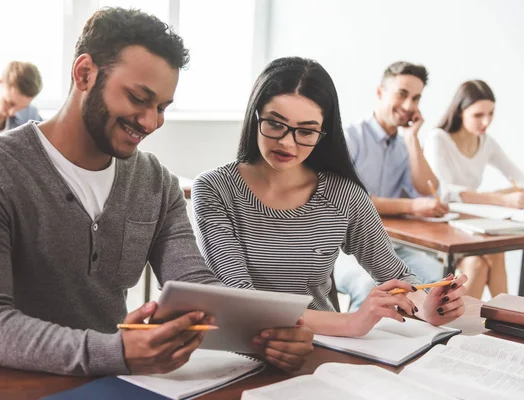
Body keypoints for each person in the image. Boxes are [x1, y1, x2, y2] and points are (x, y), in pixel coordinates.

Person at [0, 8, 313, 397]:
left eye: (163, 107)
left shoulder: (156, 184)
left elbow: (194, 285)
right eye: (138, 98)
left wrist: (267, 336)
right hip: (0, 388)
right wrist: (117, 350)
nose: (151, 122)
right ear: (84, 74)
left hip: (112, 383)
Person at [192, 57, 468, 338]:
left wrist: (427, 307)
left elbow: (395, 275)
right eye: (275, 124)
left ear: (323, 132)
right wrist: (351, 322)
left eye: (306, 131)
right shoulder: (215, 189)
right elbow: (241, 302)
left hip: (325, 346)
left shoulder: (344, 195)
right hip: (247, 344)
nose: (287, 142)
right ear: (255, 116)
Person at [333, 61, 449, 310]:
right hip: (344, 248)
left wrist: (412, 138)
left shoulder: (405, 145)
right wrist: (414, 206)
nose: (409, 106)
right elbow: (351, 202)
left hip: (391, 245)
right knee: (369, 287)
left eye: (416, 98)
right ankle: (355, 345)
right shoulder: (350, 138)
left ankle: (421, 344)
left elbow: (428, 188)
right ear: (380, 92)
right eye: (402, 94)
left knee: (437, 277)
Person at [424, 80, 524, 298]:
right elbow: (447, 192)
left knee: (486, 260)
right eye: (478, 115)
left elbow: (519, 177)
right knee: (488, 257)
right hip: (443, 224)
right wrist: (503, 199)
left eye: (491, 113)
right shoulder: (438, 138)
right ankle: (511, 323)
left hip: (470, 221)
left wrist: (510, 194)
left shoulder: (485, 142)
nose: (486, 121)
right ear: (461, 111)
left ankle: (500, 325)